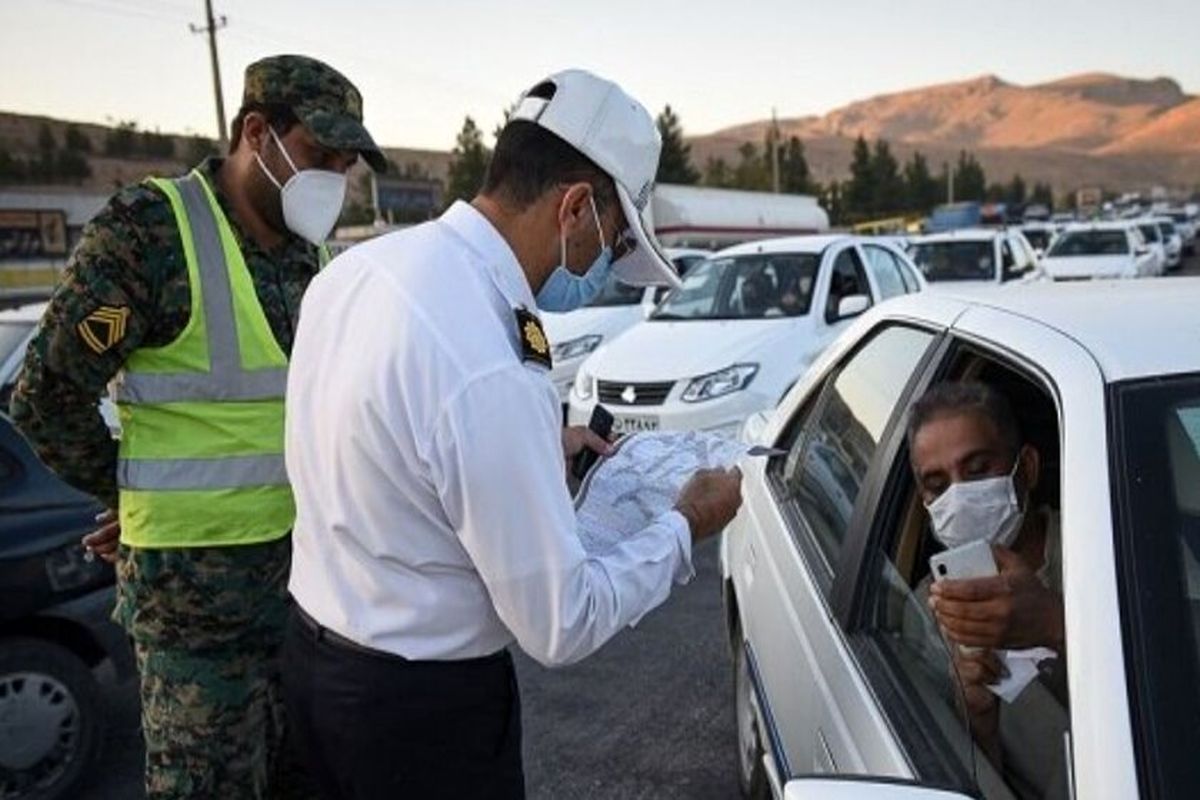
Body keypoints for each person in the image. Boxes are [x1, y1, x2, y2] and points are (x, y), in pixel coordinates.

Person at [281, 69, 744, 799]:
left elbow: (376, 443)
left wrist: (532, 452)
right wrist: (689, 524)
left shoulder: (359, 271)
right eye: (616, 243)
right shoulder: (492, 363)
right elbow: (562, 625)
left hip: (314, 672)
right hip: (422, 724)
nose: (603, 268)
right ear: (576, 208)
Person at [9, 54, 385, 798]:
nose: (335, 180)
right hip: (196, 621)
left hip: (308, 597)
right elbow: (47, 396)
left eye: (345, 164)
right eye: (320, 156)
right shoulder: (149, 234)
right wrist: (130, 495)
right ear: (256, 133)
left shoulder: (312, 260)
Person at [907, 380, 1068, 793]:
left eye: (978, 470)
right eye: (938, 485)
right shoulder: (932, 610)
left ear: (1027, 468)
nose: (959, 497)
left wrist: (1058, 623)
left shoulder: (1104, 545)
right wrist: (977, 714)